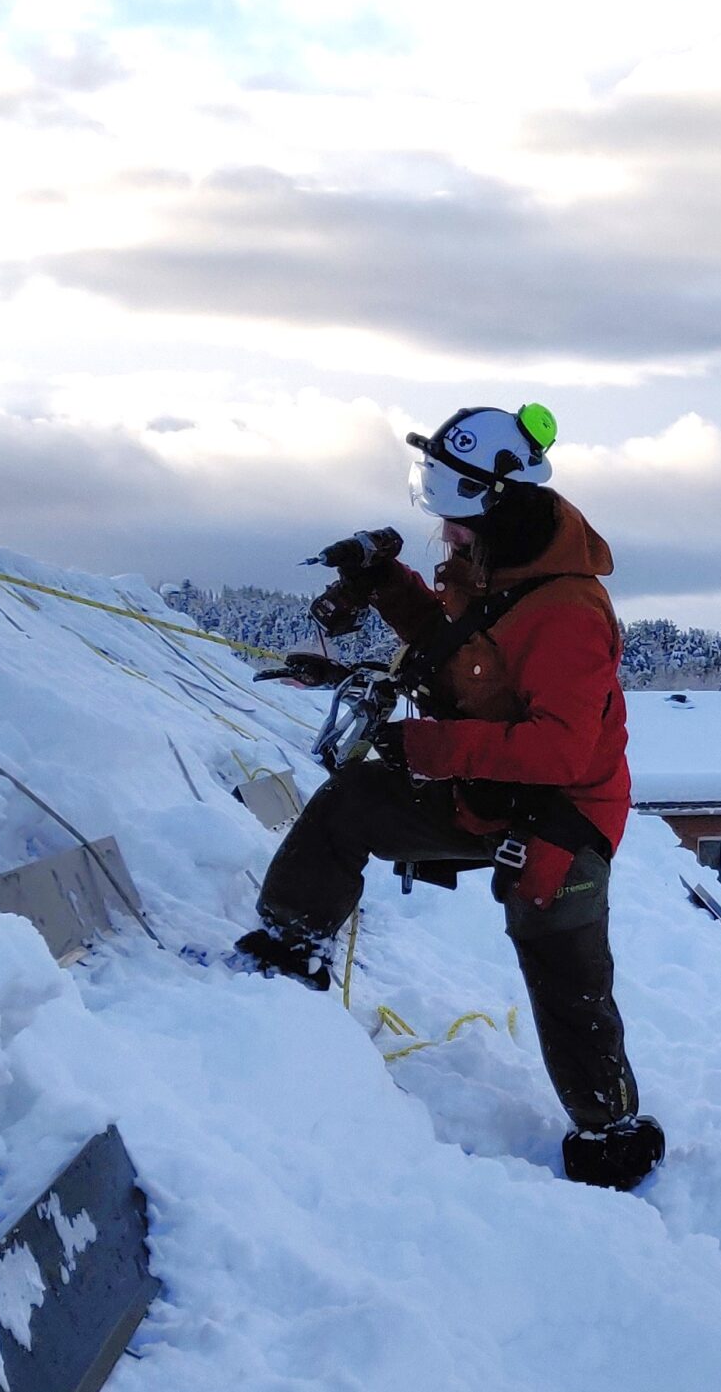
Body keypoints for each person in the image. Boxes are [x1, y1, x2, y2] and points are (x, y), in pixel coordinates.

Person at [235, 404, 664, 1190]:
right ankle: (284, 953)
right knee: (352, 802)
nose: (447, 535)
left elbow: (563, 747)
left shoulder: (567, 611)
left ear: (501, 502)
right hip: (488, 785)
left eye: (458, 521)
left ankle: (612, 1136)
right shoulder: (498, 564)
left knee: (564, 970)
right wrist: (379, 579)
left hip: (562, 814)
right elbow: (450, 641)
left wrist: (432, 747)